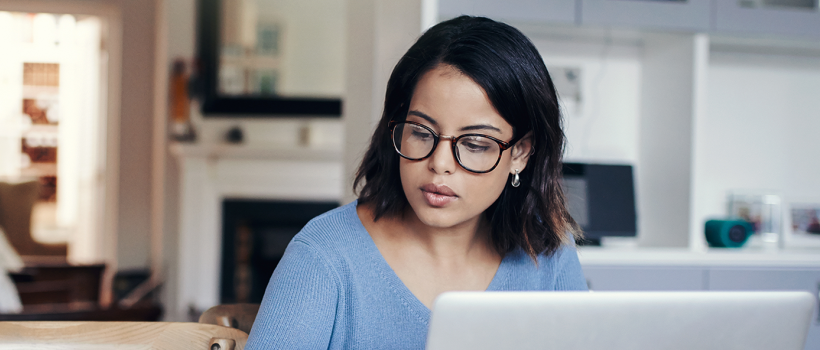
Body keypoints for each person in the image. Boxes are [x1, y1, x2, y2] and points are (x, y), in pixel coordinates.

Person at [245, 16, 587, 349]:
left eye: (474, 144)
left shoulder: (549, 253)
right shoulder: (323, 256)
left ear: (520, 153)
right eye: (422, 133)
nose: (439, 164)